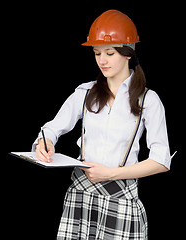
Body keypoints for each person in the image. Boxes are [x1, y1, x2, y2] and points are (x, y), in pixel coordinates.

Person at [32, 10, 173, 240]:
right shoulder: (85, 92)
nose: (102, 60)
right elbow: (51, 128)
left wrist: (112, 174)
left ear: (128, 53)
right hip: (80, 194)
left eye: (110, 52)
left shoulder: (149, 100)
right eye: (97, 53)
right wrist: (44, 141)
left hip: (121, 199)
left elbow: (161, 161)